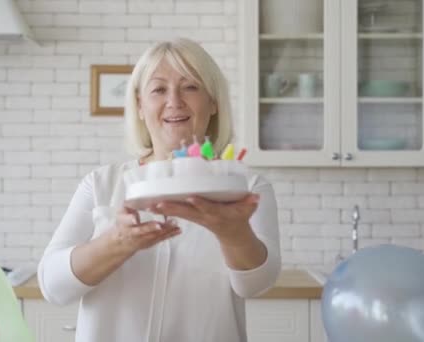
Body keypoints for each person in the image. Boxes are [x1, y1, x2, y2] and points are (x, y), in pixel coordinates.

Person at [38, 37, 281, 342]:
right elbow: (53, 287)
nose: (174, 101)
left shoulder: (246, 186)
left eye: (190, 86)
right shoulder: (101, 184)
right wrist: (117, 242)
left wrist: (234, 233)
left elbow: (257, 285)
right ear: (140, 105)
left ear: (214, 101)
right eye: (158, 89)